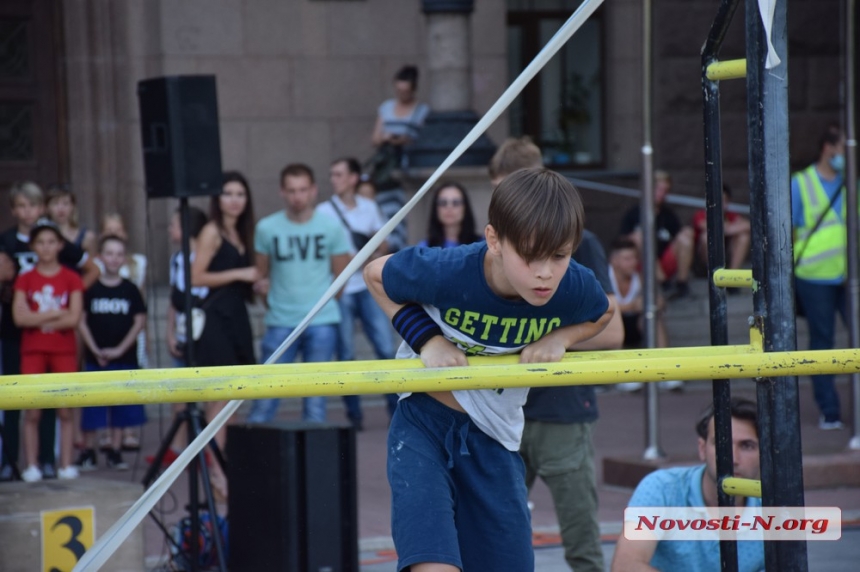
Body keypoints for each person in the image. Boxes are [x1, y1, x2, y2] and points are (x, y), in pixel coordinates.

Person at [364, 167, 614, 572]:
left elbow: (606, 313)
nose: (545, 272)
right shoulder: (449, 269)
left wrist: (562, 338)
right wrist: (429, 340)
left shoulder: (571, 286)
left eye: (560, 256)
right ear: (494, 240)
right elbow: (375, 275)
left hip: (495, 437)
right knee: (432, 563)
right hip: (422, 427)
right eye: (530, 255)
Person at [487, 136, 623, 571]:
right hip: (504, 408)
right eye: (500, 199)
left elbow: (613, 329)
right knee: (493, 536)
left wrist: (557, 339)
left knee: (581, 543)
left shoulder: (583, 244)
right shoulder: (496, 245)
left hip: (560, 410)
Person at [0, 182, 97, 482]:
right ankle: (14, 462)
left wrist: (68, 303)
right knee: (20, 402)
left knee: (57, 404)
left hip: (58, 339)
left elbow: (89, 272)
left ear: (41, 208)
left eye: (33, 205)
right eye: (21, 206)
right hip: (18, 334)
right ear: (14, 210)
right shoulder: (6, 241)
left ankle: (48, 460)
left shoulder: (59, 246)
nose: (27, 212)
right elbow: (16, 304)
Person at [247, 163, 351, 423]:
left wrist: (324, 306)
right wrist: (269, 300)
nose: (298, 196)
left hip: (321, 320)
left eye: (303, 190)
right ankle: (252, 462)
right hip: (281, 319)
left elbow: (342, 277)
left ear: (314, 190)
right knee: (265, 396)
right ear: (282, 192)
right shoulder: (267, 228)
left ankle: (313, 463)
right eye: (292, 190)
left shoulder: (331, 226)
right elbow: (261, 275)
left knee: (316, 401)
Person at [611, 397, 764, 572]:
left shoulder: (774, 503)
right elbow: (626, 566)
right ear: (702, 448)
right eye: (722, 443)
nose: (733, 459)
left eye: (747, 446)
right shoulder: (662, 488)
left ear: (764, 453)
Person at [190, 171, 258, 498]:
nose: (234, 199)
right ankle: (217, 474)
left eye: (240, 194)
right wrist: (240, 272)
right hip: (216, 320)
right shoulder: (212, 231)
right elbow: (196, 277)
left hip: (236, 318)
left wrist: (254, 282)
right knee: (218, 401)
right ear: (217, 199)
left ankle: (222, 469)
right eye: (228, 193)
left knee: (232, 400)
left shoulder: (241, 231)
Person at [317, 157, 396, 429]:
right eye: (332, 174)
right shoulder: (324, 211)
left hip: (367, 285)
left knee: (385, 348)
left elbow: (384, 240)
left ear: (353, 178)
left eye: (339, 174)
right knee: (346, 353)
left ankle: (396, 408)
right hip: (340, 288)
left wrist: (371, 255)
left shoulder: (369, 207)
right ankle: (354, 415)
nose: (333, 179)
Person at [12, 219, 85, 481]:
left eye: (51, 242)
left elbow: (74, 319)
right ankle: (31, 465)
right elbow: (20, 319)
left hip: (63, 349)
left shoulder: (71, 277)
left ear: (60, 245)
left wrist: (38, 316)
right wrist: (56, 312)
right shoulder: (25, 277)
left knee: (65, 408)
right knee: (32, 409)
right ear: (33, 246)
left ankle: (65, 464)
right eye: (40, 242)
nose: (46, 248)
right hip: (32, 349)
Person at [792, 125, 849, 430]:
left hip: (847, 276)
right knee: (822, 343)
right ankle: (829, 409)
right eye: (843, 148)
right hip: (813, 276)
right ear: (828, 148)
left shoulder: (849, 182)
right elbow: (786, 228)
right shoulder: (801, 183)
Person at [75, 235, 147, 471]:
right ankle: (89, 450)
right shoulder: (91, 289)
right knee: (92, 405)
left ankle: (115, 451)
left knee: (121, 406)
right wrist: (95, 349)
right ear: (99, 257)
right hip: (96, 357)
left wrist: (119, 349)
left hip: (124, 357)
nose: (114, 259)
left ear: (124, 259)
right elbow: (81, 320)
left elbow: (139, 322)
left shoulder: (131, 289)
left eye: (118, 254)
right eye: (109, 253)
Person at [147, 206, 209, 469]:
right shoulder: (176, 260)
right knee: (179, 392)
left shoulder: (206, 256)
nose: (170, 230)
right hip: (184, 329)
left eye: (173, 225)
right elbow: (173, 300)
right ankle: (177, 447)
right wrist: (169, 333)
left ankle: (204, 447)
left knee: (205, 392)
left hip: (206, 330)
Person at [96, 212, 149, 450]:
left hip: (129, 329)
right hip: (103, 329)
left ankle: (128, 432)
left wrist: (142, 334)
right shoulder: (95, 265)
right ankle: (106, 433)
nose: (114, 234)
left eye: (118, 230)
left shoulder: (138, 262)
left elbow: (142, 302)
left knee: (131, 383)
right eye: (109, 231)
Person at [368, 65, 431, 254]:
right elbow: (375, 138)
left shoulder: (422, 110)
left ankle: (402, 251)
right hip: (387, 169)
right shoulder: (387, 107)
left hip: (408, 167)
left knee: (405, 215)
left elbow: (424, 139)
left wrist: (405, 140)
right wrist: (388, 138)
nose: (402, 94)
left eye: (405, 91)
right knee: (385, 213)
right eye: (399, 90)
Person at [608, 237, 681, 392]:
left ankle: (664, 370)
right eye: (627, 259)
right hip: (610, 328)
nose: (633, 263)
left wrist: (654, 302)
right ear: (614, 261)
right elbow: (601, 310)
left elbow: (661, 302)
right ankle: (622, 374)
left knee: (653, 317)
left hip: (635, 325)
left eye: (635, 258)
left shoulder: (640, 278)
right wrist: (632, 306)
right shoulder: (605, 278)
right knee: (609, 319)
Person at [619, 170, 695, 299]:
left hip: (665, 262)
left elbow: (679, 236)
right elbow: (621, 242)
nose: (662, 193)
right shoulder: (634, 213)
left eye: (665, 190)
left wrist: (687, 232)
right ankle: (663, 283)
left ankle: (682, 284)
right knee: (639, 237)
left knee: (686, 237)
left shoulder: (668, 214)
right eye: (659, 189)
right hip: (640, 266)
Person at [692, 183, 750, 277]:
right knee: (706, 236)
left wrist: (728, 229)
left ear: (728, 202)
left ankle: (733, 276)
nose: (719, 204)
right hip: (702, 263)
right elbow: (704, 226)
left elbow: (748, 225)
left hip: (726, 257)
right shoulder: (701, 214)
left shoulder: (730, 215)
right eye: (716, 200)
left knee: (744, 237)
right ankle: (713, 273)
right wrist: (728, 228)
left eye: (723, 201)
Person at [418, 182, 482, 248]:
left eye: (456, 203)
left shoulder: (481, 246)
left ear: (465, 208)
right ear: (435, 208)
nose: (449, 207)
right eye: (443, 203)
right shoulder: (424, 248)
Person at [45, 185, 97, 258]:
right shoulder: (39, 237)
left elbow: (93, 267)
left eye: (65, 203)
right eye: (55, 203)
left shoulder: (87, 237)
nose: (61, 208)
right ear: (47, 208)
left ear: (73, 207)